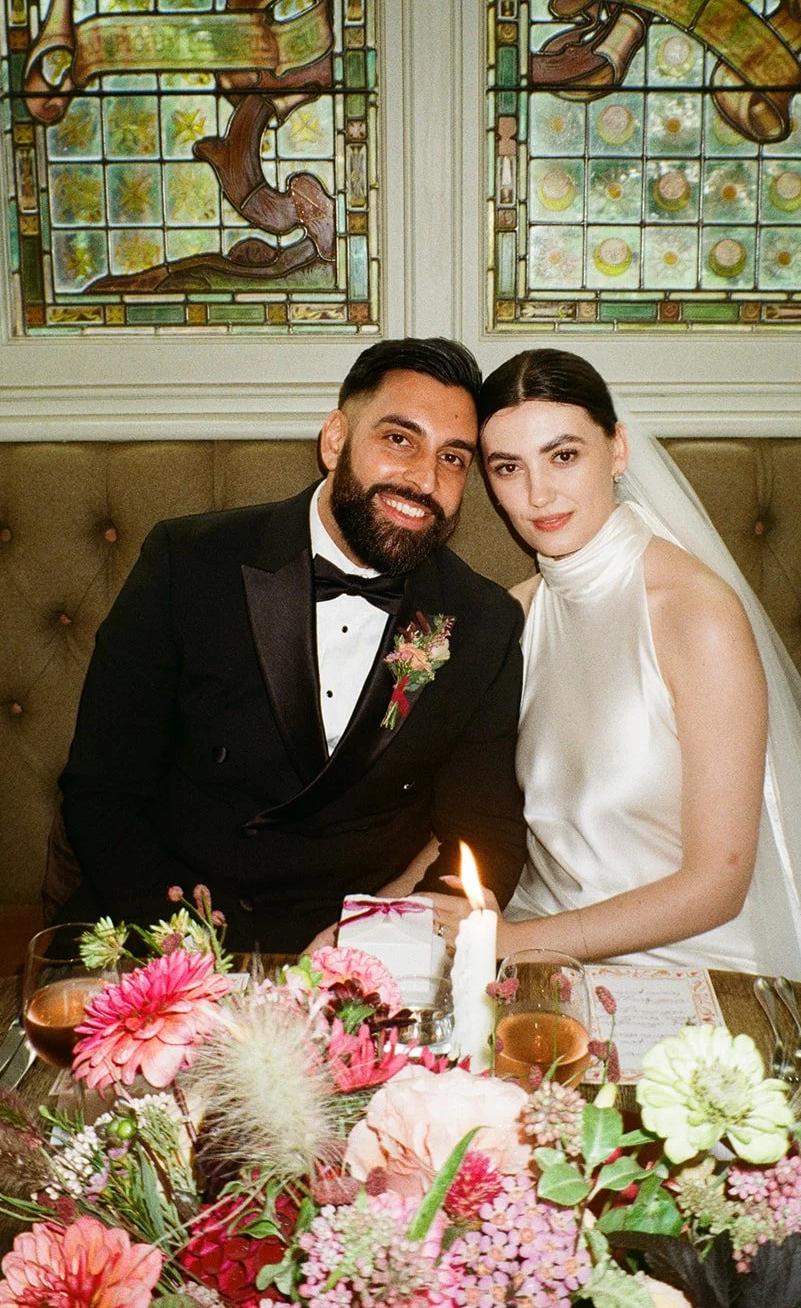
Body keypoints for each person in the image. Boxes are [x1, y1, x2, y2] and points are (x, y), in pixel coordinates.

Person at [431, 348, 801, 991]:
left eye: (565, 455)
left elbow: (718, 885)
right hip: (536, 961)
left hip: (692, 974)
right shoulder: (515, 617)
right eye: (508, 467)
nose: (538, 493)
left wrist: (516, 942)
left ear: (619, 449)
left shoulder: (696, 616)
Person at [58, 337, 527, 953]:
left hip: (354, 956)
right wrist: (192, 952)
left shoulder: (482, 622)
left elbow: (485, 831)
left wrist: (389, 939)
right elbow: (104, 791)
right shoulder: (189, 563)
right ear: (335, 440)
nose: (423, 479)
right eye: (398, 439)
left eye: (454, 459)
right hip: (165, 929)